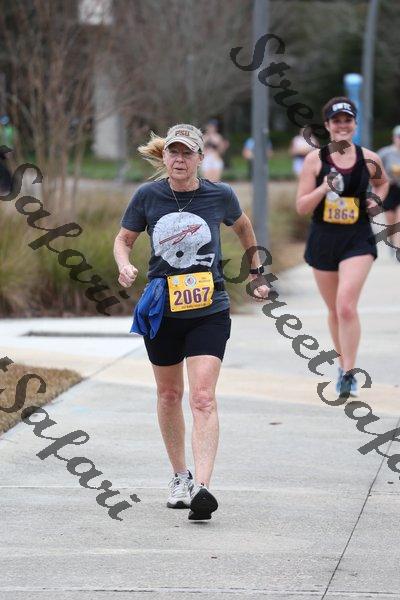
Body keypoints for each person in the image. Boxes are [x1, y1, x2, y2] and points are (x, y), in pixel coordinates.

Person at [113, 124, 270, 521]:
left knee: (202, 397)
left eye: (188, 153)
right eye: (174, 152)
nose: (180, 159)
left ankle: (202, 487)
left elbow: (243, 227)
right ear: (165, 156)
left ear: (201, 157)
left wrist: (256, 272)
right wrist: (124, 265)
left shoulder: (220, 195)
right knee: (169, 395)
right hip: (162, 310)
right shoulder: (147, 196)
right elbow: (124, 240)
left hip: (209, 310)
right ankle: (179, 477)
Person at [296, 97, 388, 397]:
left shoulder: (369, 158)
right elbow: (301, 206)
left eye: (348, 120)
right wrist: (324, 187)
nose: (343, 126)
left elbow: (382, 183)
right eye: (337, 121)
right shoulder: (315, 161)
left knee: (346, 305)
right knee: (335, 310)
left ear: (355, 124)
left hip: (357, 238)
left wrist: (375, 201)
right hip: (324, 239)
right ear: (327, 126)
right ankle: (341, 365)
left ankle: (349, 372)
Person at [377, 126, 400, 254]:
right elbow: (376, 170)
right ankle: (391, 241)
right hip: (390, 189)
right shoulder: (385, 153)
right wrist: (387, 178)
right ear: (394, 138)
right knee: (390, 220)